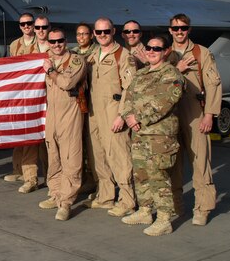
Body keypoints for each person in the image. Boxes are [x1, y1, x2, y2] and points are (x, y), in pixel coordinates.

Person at [120, 35, 184, 236]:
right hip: (139, 133)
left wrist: (139, 118)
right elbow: (128, 97)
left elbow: (166, 102)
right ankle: (145, 211)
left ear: (165, 51)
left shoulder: (171, 73)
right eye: (149, 48)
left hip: (159, 135)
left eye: (157, 49)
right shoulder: (142, 73)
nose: (151, 51)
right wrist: (129, 117)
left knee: (158, 175)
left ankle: (164, 219)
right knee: (141, 174)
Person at [167, 13, 221, 226]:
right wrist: (176, 69)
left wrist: (209, 114)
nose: (179, 32)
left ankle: (202, 208)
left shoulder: (201, 53)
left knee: (200, 161)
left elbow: (213, 84)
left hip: (194, 112)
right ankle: (176, 205)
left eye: (183, 28)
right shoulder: (165, 53)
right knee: (173, 164)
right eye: (175, 28)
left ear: (189, 29)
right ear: (170, 30)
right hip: (170, 112)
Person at [84, 17, 135, 217]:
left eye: (106, 31)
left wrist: (122, 115)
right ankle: (105, 196)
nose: (102, 35)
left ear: (113, 31)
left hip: (113, 111)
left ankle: (127, 200)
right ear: (94, 34)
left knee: (119, 156)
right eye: (98, 32)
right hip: (94, 112)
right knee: (98, 155)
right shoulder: (92, 55)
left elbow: (130, 89)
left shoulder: (123, 56)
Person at [39, 28, 86, 221]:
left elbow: (67, 83)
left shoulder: (76, 61)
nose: (56, 45)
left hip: (70, 113)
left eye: (60, 41)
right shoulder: (46, 59)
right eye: (52, 42)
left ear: (65, 41)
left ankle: (66, 202)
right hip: (52, 114)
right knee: (54, 156)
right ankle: (55, 193)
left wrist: (50, 70)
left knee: (70, 158)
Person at [16, 15, 51, 194]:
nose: (40, 30)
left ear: (49, 28)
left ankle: (52, 178)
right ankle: (30, 179)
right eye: (37, 27)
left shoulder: (56, 46)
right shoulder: (27, 50)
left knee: (49, 143)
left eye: (44, 27)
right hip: (31, 100)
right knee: (29, 141)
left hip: (51, 100)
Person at [3, 12, 38, 184]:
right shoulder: (14, 45)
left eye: (29, 23)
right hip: (19, 94)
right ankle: (17, 169)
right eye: (23, 24)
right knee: (17, 132)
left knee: (30, 134)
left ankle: (29, 175)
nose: (26, 26)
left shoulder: (41, 43)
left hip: (34, 94)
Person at [71, 22, 97, 194]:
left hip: (94, 101)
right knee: (80, 142)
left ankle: (96, 180)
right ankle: (85, 179)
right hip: (78, 103)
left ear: (91, 35)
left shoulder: (97, 52)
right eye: (79, 34)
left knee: (93, 144)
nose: (81, 37)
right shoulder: (72, 53)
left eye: (85, 34)